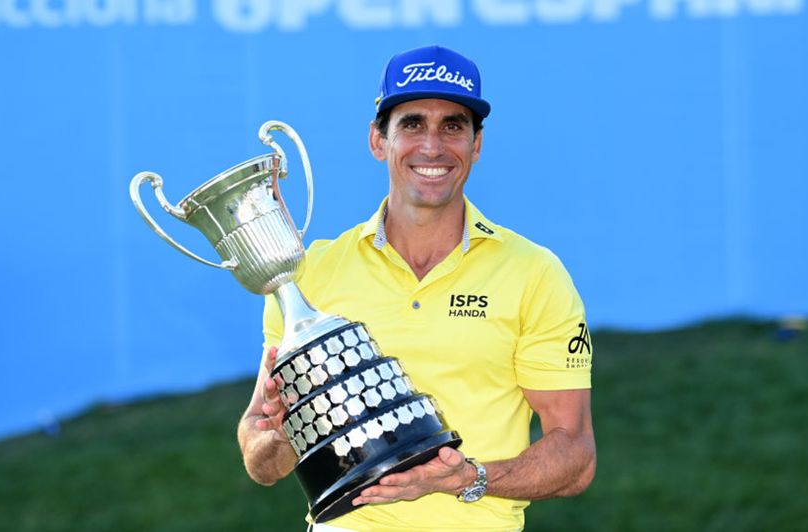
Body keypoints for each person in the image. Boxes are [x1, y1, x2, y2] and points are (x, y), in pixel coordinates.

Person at [237, 44, 596, 531]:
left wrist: (468, 477)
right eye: (411, 124)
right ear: (377, 140)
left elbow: (575, 454)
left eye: (453, 125)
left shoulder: (533, 272)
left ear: (477, 144)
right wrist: (283, 436)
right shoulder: (308, 272)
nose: (433, 146)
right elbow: (261, 462)